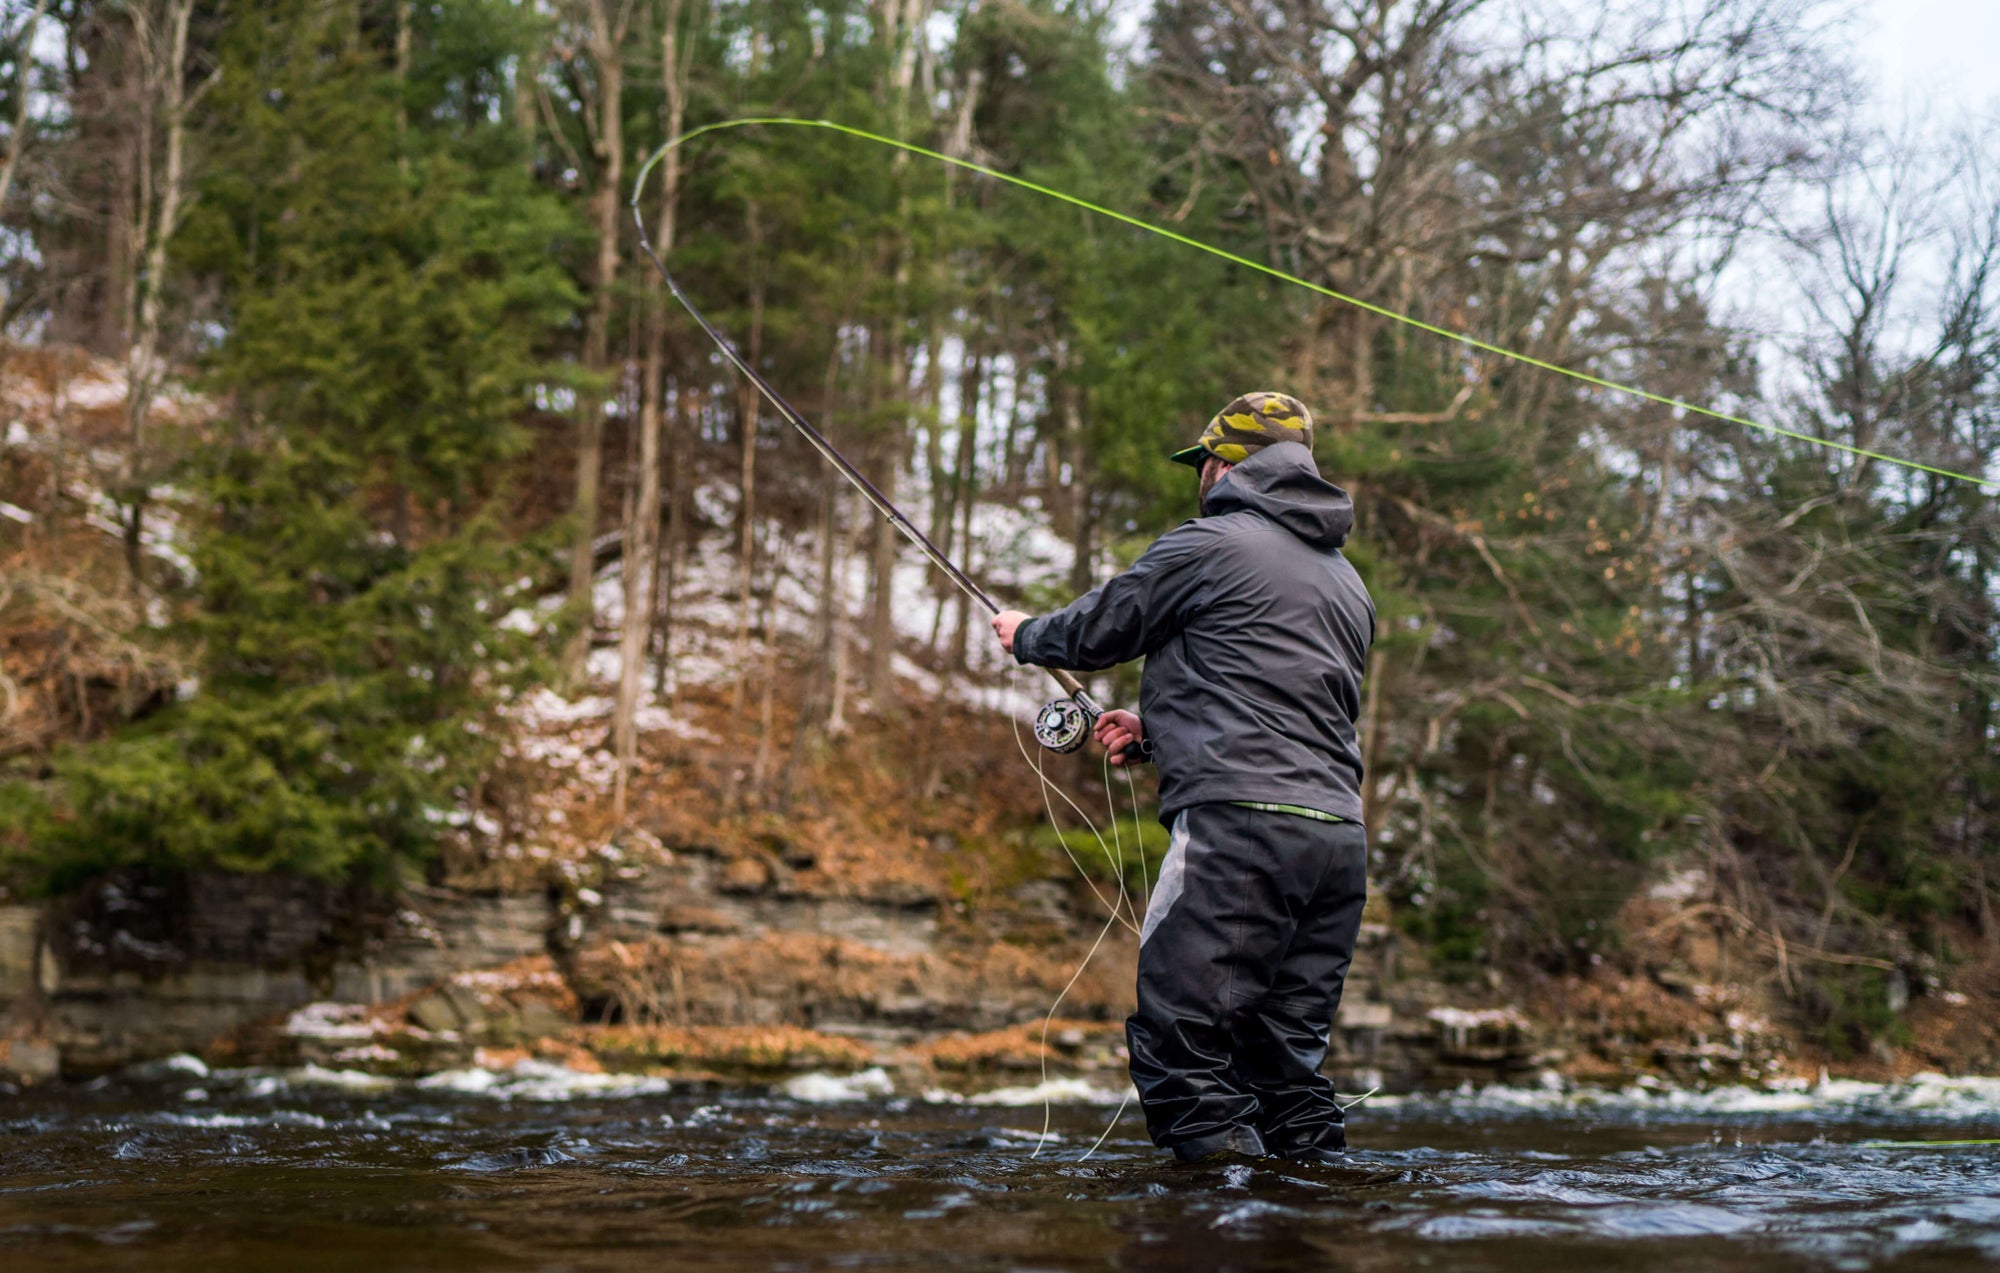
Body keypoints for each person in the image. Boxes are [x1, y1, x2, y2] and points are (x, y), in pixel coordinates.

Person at [991, 391, 1374, 1166]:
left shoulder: (1210, 543)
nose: (1199, 476)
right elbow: (1283, 699)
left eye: (1203, 462)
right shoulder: (1349, 585)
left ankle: (1207, 1227)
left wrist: (1027, 634)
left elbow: (1102, 628)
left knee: (1183, 1041)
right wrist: (1159, 732)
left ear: (1225, 465)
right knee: (1283, 1059)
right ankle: (1312, 1218)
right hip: (1336, 841)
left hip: (1238, 834)